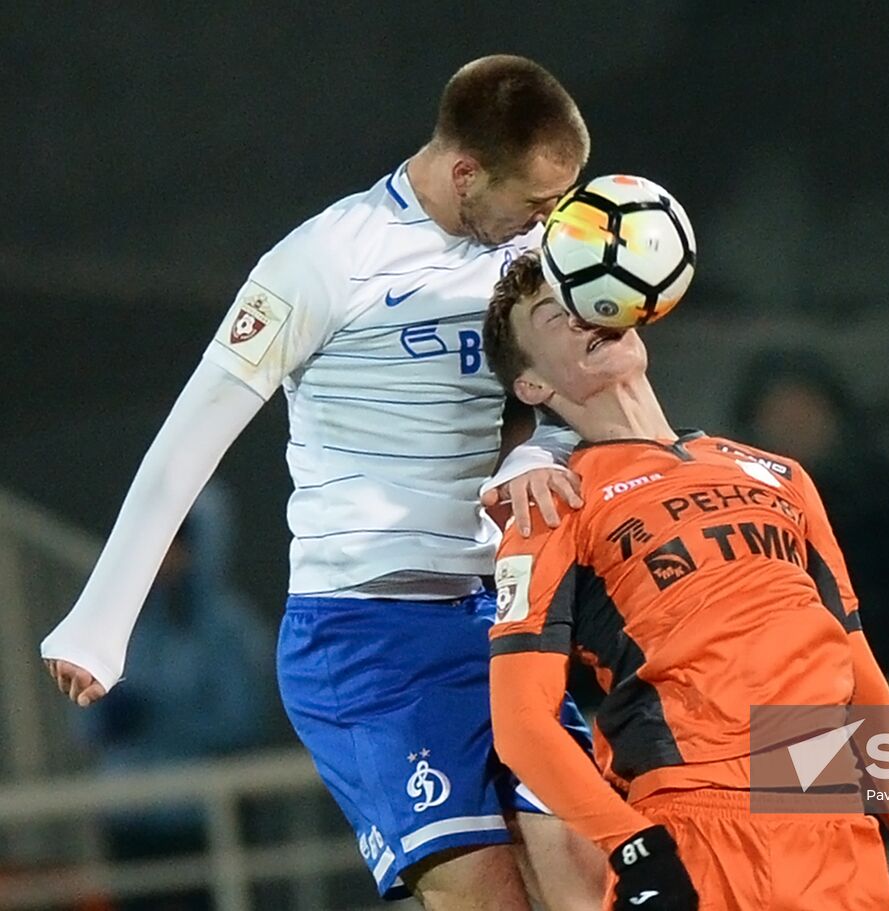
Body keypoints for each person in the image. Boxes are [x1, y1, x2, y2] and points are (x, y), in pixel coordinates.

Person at [41, 56, 604, 910]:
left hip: (499, 615)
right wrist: (104, 617)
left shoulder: (532, 256)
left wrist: (536, 453)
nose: (548, 220)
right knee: (489, 897)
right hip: (368, 633)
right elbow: (189, 438)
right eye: (533, 201)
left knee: (584, 868)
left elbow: (559, 398)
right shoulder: (324, 260)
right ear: (464, 172)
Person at [479, 251, 889, 910]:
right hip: (697, 830)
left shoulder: (782, 473)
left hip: (835, 832)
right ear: (531, 385)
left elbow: (858, 673)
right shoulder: (552, 503)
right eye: (556, 315)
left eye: (590, 296)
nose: (587, 315)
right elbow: (521, 723)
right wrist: (633, 845)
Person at [77, 482, 275, 911]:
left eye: (172, 543)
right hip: (129, 821)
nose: (161, 558)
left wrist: (158, 718)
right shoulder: (123, 623)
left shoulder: (227, 627)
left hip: (203, 822)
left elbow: (242, 723)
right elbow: (86, 723)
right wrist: (103, 716)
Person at [732, 349, 889, 673]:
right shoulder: (737, 515)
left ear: (835, 414)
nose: (794, 426)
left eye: (806, 411)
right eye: (778, 414)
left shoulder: (887, 499)